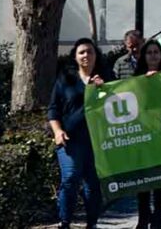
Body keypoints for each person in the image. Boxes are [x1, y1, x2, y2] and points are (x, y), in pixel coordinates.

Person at [47, 38, 111, 229]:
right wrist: (57, 131)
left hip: (97, 141)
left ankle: (92, 223)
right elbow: (53, 109)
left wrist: (104, 89)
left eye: (90, 52)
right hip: (70, 140)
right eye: (82, 52)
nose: (86, 55)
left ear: (96, 55)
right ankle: (64, 222)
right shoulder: (65, 79)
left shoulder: (106, 77)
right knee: (71, 177)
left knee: (93, 186)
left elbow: (119, 103)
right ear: (75, 56)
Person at [132, 39, 161, 228]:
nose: (153, 55)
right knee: (144, 179)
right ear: (144, 56)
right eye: (149, 52)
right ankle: (143, 216)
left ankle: (158, 218)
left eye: (156, 52)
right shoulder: (136, 78)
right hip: (143, 133)